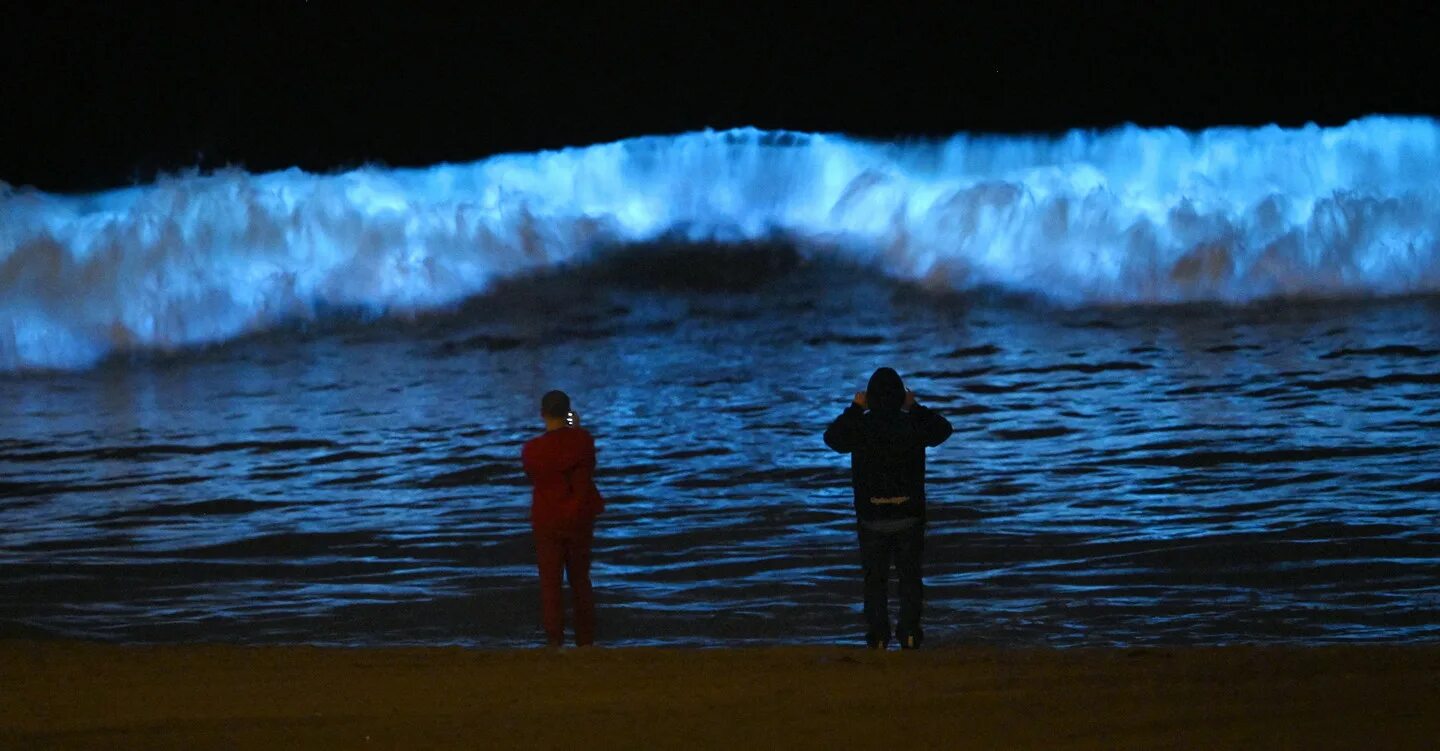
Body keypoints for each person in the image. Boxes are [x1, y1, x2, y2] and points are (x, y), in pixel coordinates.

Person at [823, 367, 953, 650]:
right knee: (910, 579)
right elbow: (943, 430)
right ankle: (908, 634)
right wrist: (915, 407)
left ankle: (879, 636)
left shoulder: (861, 427)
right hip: (908, 515)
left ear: (870, 398)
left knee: (875, 581)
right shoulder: (912, 426)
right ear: (900, 397)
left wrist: (855, 410)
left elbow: (832, 438)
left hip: (872, 517)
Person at [521, 390, 604, 647]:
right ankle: (585, 641)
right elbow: (588, 462)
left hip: (547, 520)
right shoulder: (583, 441)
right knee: (580, 581)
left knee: (550, 584)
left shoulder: (532, 450)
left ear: (542, 414)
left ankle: (555, 641)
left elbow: (534, 475)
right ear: (568, 412)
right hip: (579, 517)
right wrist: (573, 426)